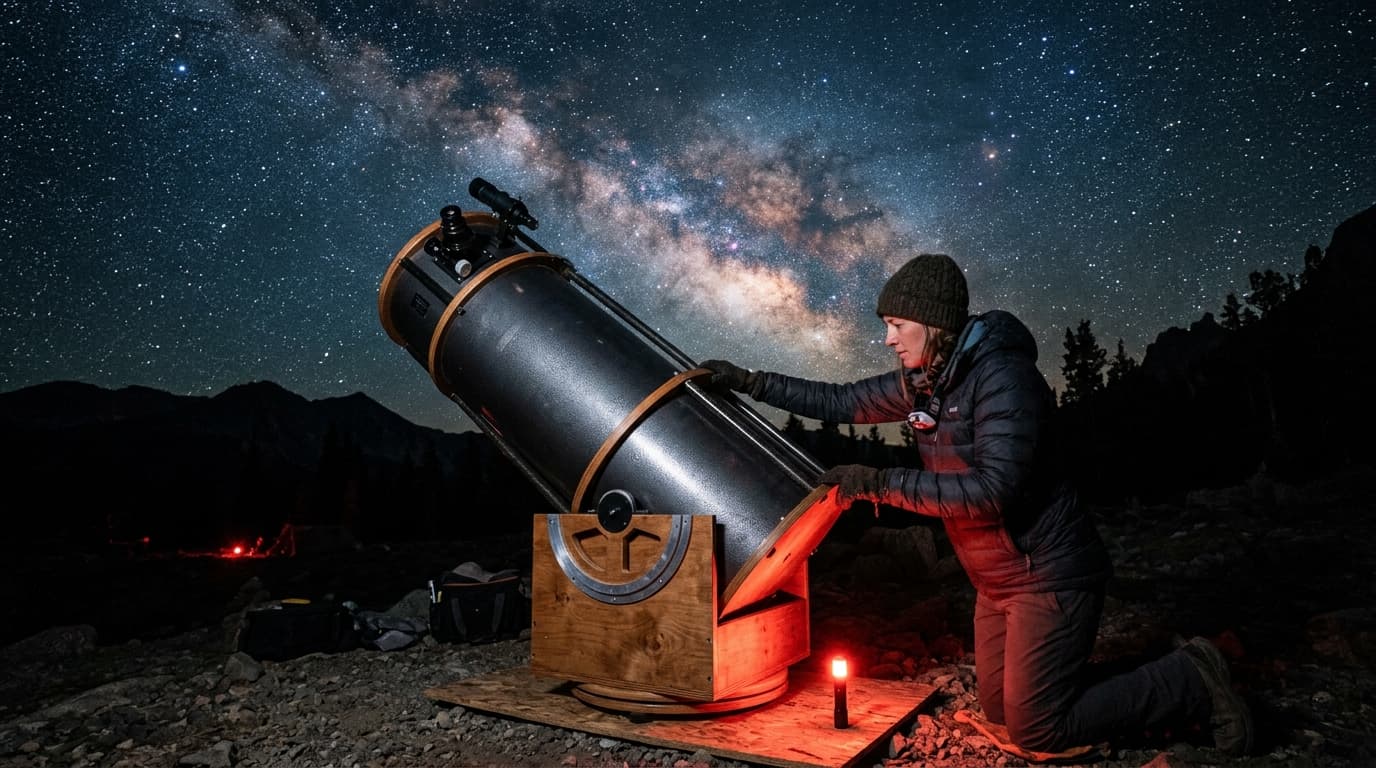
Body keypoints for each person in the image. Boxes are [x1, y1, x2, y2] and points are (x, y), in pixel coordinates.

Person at [700, 253, 1254, 757]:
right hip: (995, 581)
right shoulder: (927, 383)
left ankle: (1193, 678)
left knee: (1038, 727)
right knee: (1000, 712)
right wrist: (750, 382)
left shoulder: (1004, 379)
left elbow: (993, 491)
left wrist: (875, 483)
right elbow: (840, 399)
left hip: (1048, 575)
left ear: (932, 323)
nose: (889, 339)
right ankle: (1122, 681)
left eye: (896, 325)